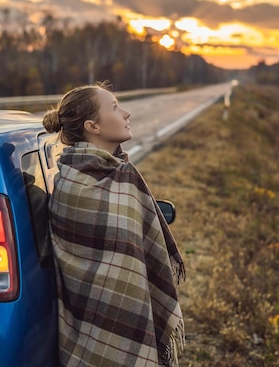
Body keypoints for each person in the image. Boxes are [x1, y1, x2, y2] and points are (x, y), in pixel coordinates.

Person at [42, 82, 185, 366]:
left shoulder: (96, 176)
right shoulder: (88, 184)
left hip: (105, 315)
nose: (127, 113)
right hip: (92, 319)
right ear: (92, 126)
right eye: (116, 107)